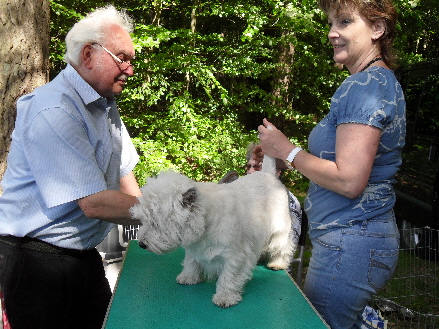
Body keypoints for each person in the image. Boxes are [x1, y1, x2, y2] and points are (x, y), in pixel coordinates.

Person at [254, 0, 405, 327]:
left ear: (377, 29)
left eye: (346, 22)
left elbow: (349, 181)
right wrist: (283, 158)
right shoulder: (375, 82)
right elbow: (338, 166)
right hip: (350, 241)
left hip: (351, 242)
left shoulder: (366, 86)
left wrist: (288, 149)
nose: (332, 33)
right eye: (331, 23)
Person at [0, 6, 141, 329]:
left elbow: (124, 176)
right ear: (89, 54)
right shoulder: (54, 109)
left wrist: (153, 233)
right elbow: (94, 202)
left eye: (131, 60)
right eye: (123, 58)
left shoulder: (105, 105)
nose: (130, 70)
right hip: (36, 261)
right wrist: (174, 212)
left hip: (81, 254)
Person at [245, 143, 302, 254]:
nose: (251, 171)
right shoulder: (241, 196)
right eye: (249, 166)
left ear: (276, 172)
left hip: (269, 263)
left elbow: (288, 243)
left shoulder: (289, 202)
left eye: (257, 167)